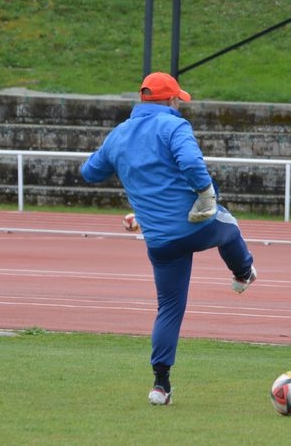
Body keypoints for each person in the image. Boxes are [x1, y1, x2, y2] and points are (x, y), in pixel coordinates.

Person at [80, 72, 257, 405]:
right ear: (170, 100)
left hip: (160, 241)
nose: (180, 104)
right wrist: (206, 194)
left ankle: (160, 386)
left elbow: (90, 172)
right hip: (196, 224)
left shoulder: (119, 135)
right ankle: (243, 272)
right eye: (178, 99)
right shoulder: (174, 126)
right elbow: (190, 161)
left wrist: (111, 152)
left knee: (169, 309)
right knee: (229, 227)